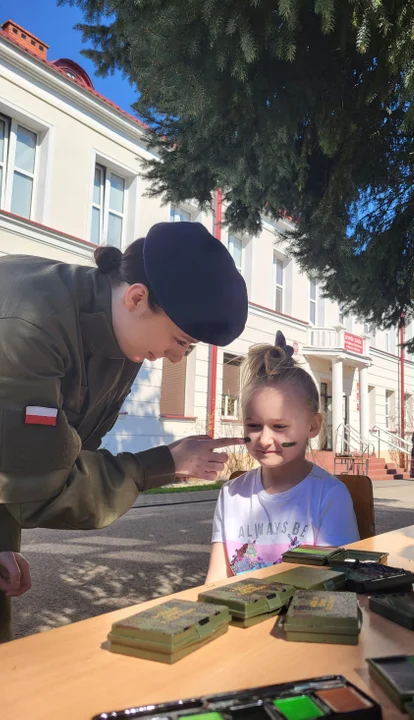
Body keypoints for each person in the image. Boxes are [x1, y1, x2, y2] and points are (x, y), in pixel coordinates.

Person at [0, 221, 248, 642]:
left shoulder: (124, 343)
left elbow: (32, 459)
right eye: (181, 341)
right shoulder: (33, 327)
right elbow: (39, 487)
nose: (174, 360)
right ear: (136, 297)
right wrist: (164, 464)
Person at [206, 332, 360, 581]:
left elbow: (339, 584)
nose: (264, 439)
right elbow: (216, 581)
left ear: (312, 426)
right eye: (254, 426)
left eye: (279, 427)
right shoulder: (231, 495)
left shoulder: (330, 496)